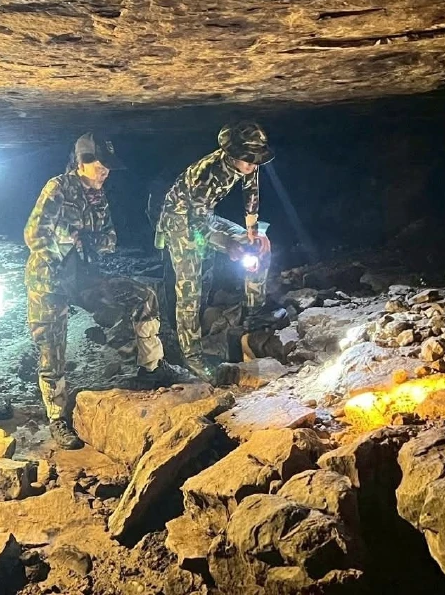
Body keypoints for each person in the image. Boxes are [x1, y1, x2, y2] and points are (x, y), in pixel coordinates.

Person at [24, 133, 172, 449]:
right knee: (51, 347)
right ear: (82, 162)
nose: (105, 172)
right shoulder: (58, 188)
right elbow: (34, 235)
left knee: (143, 296)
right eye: (100, 165)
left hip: (85, 277)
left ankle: (152, 367)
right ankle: (57, 418)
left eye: (108, 166)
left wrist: (90, 243)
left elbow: (109, 238)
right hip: (49, 280)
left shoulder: (98, 196)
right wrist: (68, 245)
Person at [154, 121, 276, 378]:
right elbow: (195, 224)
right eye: (249, 159)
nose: (253, 164)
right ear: (233, 155)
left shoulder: (249, 165)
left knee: (256, 247)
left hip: (204, 215)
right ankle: (191, 355)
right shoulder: (207, 172)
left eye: (256, 159)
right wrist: (229, 244)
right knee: (190, 287)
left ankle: (254, 314)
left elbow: (251, 194)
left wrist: (254, 232)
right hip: (180, 221)